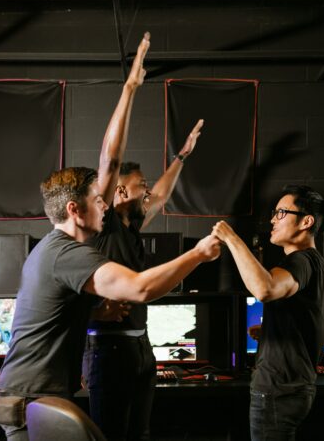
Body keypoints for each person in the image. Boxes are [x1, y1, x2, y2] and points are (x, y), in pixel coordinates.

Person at [0, 34, 222, 441]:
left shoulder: (62, 250)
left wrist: (93, 313)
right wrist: (199, 254)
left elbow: (55, 310)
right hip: (31, 399)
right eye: (96, 199)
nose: (103, 204)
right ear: (74, 209)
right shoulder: (68, 253)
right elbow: (140, 288)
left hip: (40, 395)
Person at [82, 34, 204, 439]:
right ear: (119, 191)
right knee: (111, 434)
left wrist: (182, 156)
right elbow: (110, 158)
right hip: (107, 350)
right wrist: (130, 89)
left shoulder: (132, 224)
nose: (148, 192)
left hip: (139, 347)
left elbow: (163, 195)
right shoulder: (104, 220)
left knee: (139, 434)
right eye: (141, 186)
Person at [211, 184, 324, 441]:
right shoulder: (323, 268)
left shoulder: (299, 261)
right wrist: (271, 330)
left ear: (306, 222)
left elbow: (264, 289)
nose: (272, 220)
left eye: (281, 213)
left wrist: (232, 239)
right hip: (298, 390)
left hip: (278, 391)